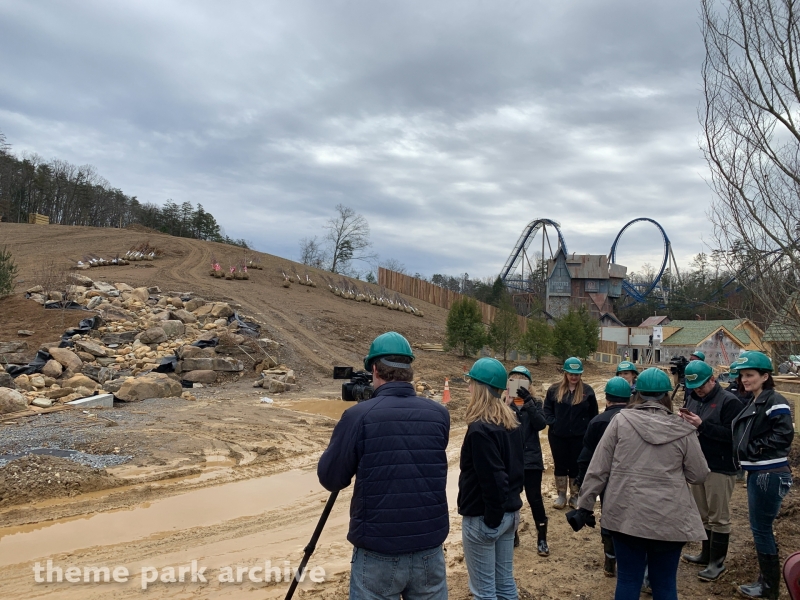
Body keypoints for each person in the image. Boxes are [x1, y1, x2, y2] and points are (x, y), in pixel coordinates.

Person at [318, 332, 450, 600]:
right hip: (429, 548)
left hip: (378, 552)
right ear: (409, 370)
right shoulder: (439, 414)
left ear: (375, 370)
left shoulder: (358, 416)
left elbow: (331, 478)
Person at [567, 368, 709, 600]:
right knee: (665, 584)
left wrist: (585, 506)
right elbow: (699, 475)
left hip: (626, 517)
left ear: (637, 394)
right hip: (669, 520)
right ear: (666, 395)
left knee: (628, 580)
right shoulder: (682, 428)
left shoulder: (620, 421)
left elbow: (598, 468)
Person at [458, 357, 524, 600]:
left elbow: (494, 478)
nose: (468, 388)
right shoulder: (510, 422)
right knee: (505, 585)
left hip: (485, 518)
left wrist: (491, 520)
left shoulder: (480, 429)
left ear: (480, 388)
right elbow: (515, 470)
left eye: (471, 383)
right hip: (509, 514)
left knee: (484, 591)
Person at [731, 351, 794, 600]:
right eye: (742, 376)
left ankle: (769, 587)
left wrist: (753, 448)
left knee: (761, 529)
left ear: (765, 376)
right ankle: (766, 582)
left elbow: (784, 435)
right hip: (761, 472)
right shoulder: (756, 400)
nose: (745, 380)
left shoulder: (774, 400)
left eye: (750, 375)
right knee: (761, 529)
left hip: (769, 472)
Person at [678, 360, 745, 581]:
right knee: (704, 514)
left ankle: (717, 563)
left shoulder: (730, 402)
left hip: (720, 466)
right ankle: (706, 555)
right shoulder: (693, 398)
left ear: (713, 380)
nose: (698, 390)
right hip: (699, 464)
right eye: (694, 387)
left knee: (719, 516)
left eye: (701, 386)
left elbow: (733, 436)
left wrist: (701, 425)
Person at [575, 376, 631, 578]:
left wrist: (581, 482)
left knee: (608, 515)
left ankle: (610, 558)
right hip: (630, 479)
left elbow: (586, 457)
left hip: (605, 479)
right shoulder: (635, 421)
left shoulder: (598, 422)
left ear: (607, 398)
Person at [543, 357, 598, 509]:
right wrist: (554, 423)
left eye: (577, 374)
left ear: (581, 374)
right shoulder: (554, 390)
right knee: (560, 464)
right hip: (558, 436)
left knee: (576, 465)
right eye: (571, 374)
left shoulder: (588, 391)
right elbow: (547, 409)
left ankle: (574, 495)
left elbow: (593, 414)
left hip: (579, 437)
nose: (574, 377)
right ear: (565, 373)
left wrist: (587, 430)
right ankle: (561, 495)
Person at [508, 365, 550, 556]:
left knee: (535, 499)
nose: (518, 385)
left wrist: (528, 402)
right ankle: (512, 534)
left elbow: (540, 424)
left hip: (531, 459)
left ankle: (542, 539)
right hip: (511, 460)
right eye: (514, 381)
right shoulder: (505, 404)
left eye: (522, 382)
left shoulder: (536, 402)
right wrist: (508, 403)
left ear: (529, 385)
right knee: (511, 498)